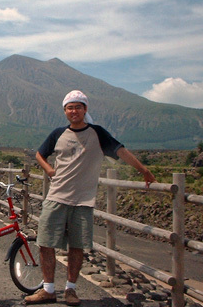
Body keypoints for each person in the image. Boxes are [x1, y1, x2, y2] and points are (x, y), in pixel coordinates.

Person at [25, 90, 155, 306]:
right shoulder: (58, 133)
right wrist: (49, 169)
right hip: (56, 196)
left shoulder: (98, 133)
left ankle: (70, 290)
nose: (73, 111)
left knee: (77, 246)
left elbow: (121, 151)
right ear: (65, 111)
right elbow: (40, 153)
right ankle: (48, 289)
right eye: (70, 107)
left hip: (83, 200)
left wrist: (144, 170)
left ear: (85, 109)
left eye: (78, 106)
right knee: (45, 243)